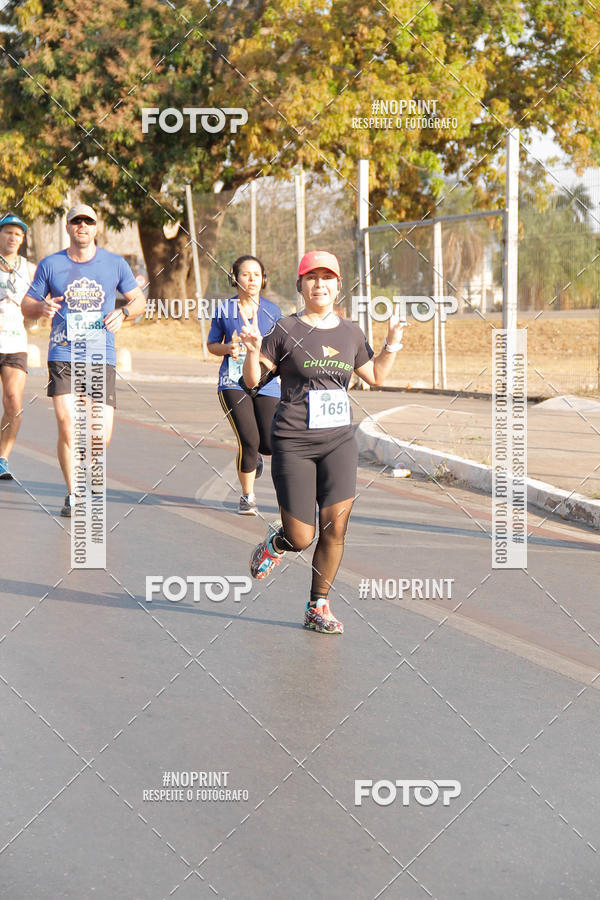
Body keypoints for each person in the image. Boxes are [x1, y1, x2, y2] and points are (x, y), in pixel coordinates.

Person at [241, 250, 404, 635]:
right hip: (293, 442)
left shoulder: (350, 333)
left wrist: (392, 343)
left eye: (327, 277)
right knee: (302, 536)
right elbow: (252, 382)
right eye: (311, 277)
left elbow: (376, 375)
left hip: (339, 443)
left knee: (336, 530)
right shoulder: (284, 329)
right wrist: (250, 351)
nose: (319, 284)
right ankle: (277, 543)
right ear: (300, 285)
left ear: (337, 285)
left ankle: (318, 605)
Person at [21, 204, 146, 516]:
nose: (82, 226)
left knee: (100, 436)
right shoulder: (51, 264)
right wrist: (42, 308)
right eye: (76, 221)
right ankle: (73, 492)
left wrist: (125, 313)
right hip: (63, 352)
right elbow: (27, 304)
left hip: (100, 355)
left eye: (88, 222)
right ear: (68, 227)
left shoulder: (115, 264)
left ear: (96, 227)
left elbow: (139, 301)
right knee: (67, 424)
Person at [207, 255, 281, 515]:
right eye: (246, 274)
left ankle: (257, 456)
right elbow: (212, 345)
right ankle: (247, 496)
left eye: (257, 275)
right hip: (233, 383)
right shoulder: (224, 310)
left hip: (266, 383)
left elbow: (280, 350)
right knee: (249, 440)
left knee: (270, 443)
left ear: (264, 279)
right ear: (235, 278)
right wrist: (228, 347)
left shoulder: (273, 312)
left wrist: (260, 355)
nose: (252, 280)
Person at [0, 215, 36, 480]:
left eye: (18, 234)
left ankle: (2, 458)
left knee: (14, 403)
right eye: (8, 232)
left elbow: (39, 301)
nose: (13, 238)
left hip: (15, 343)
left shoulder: (30, 269)